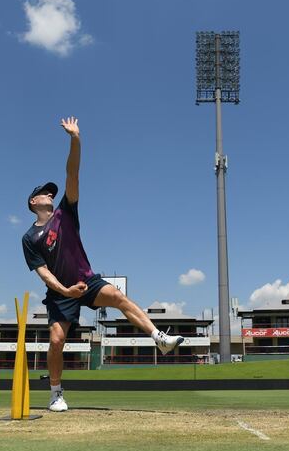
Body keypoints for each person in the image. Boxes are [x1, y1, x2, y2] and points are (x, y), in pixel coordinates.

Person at [22, 117, 184, 412]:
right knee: (57, 340)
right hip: (61, 292)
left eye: (51, 193)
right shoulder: (29, 237)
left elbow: (73, 173)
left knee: (118, 297)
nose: (51, 194)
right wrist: (65, 291)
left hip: (86, 279)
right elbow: (43, 273)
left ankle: (158, 337)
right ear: (34, 201)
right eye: (45, 192)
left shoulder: (66, 213)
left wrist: (76, 139)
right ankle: (55, 393)